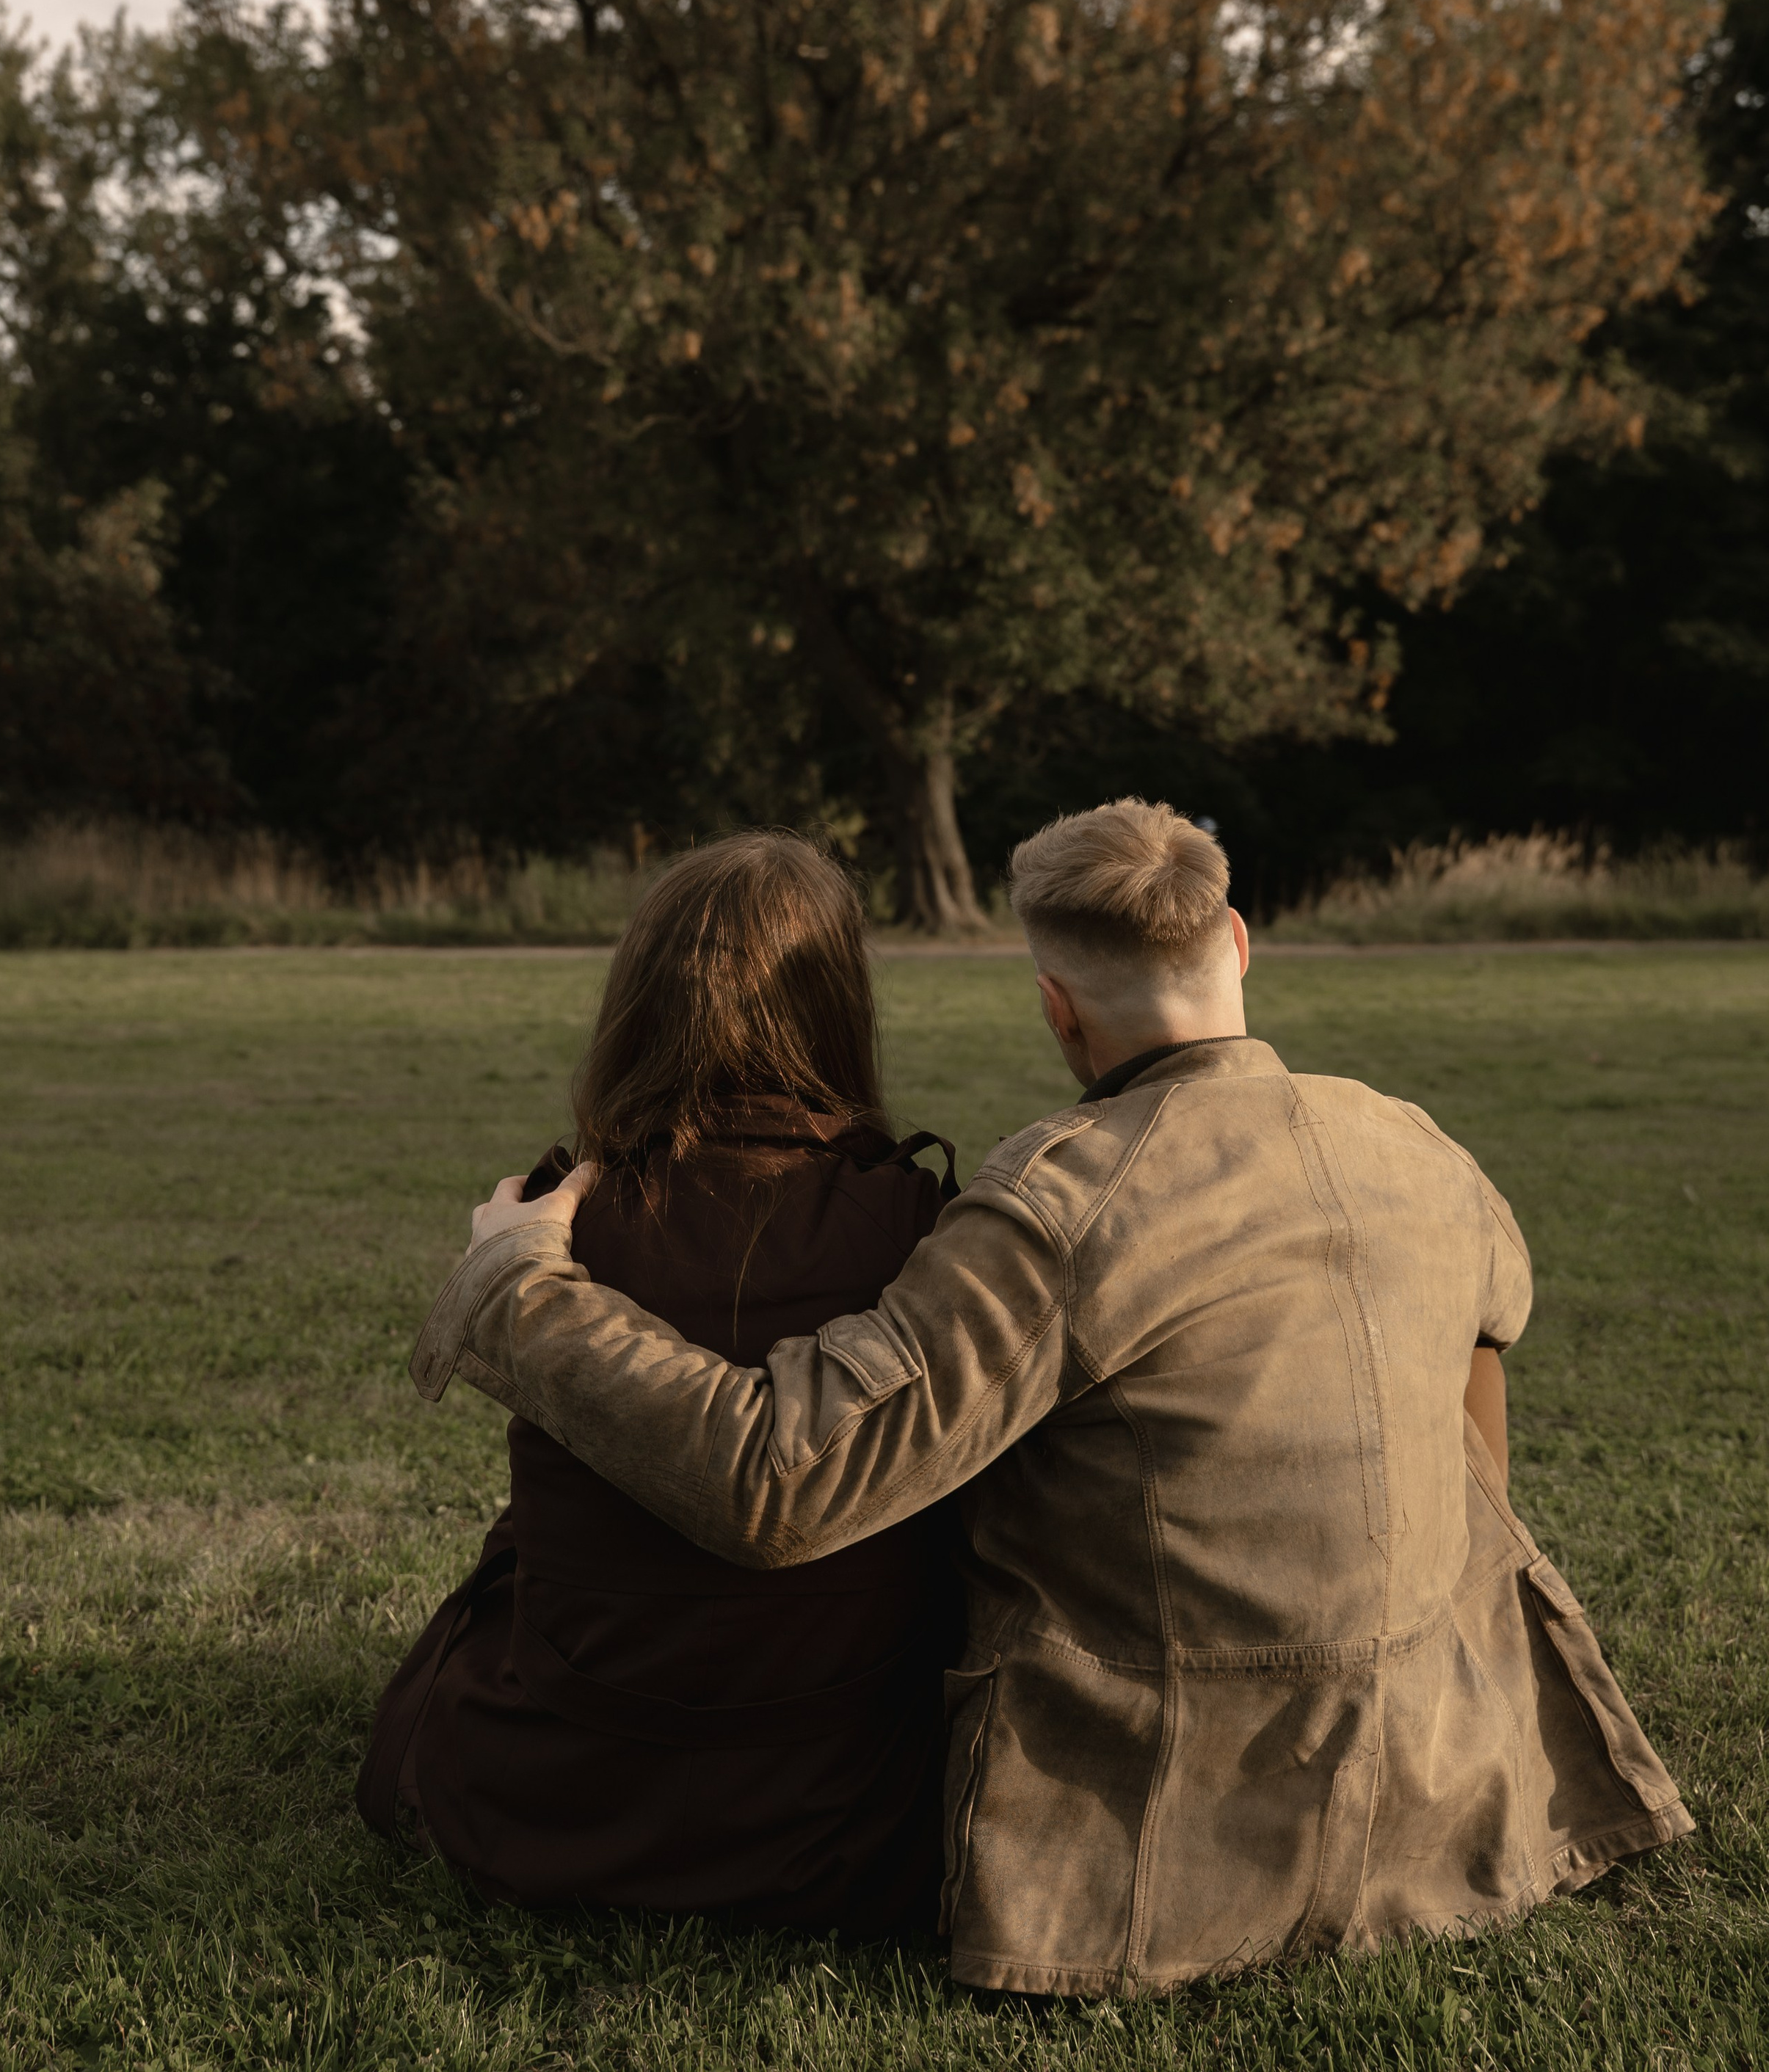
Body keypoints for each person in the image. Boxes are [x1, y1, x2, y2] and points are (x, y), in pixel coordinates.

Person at [408, 797, 1692, 1997]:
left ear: (1057, 1011)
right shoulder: (1420, 1143)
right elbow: (1489, 1344)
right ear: (1241, 942)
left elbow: (782, 1483)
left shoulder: (1061, 1205)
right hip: (1450, 1783)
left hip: (1179, 1842)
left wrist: (518, 1289)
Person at [358, 833, 959, 1932]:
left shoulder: (558, 1216)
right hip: (849, 1825)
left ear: (641, 1000)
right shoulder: (922, 1222)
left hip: (551, 1811)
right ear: (839, 1005)